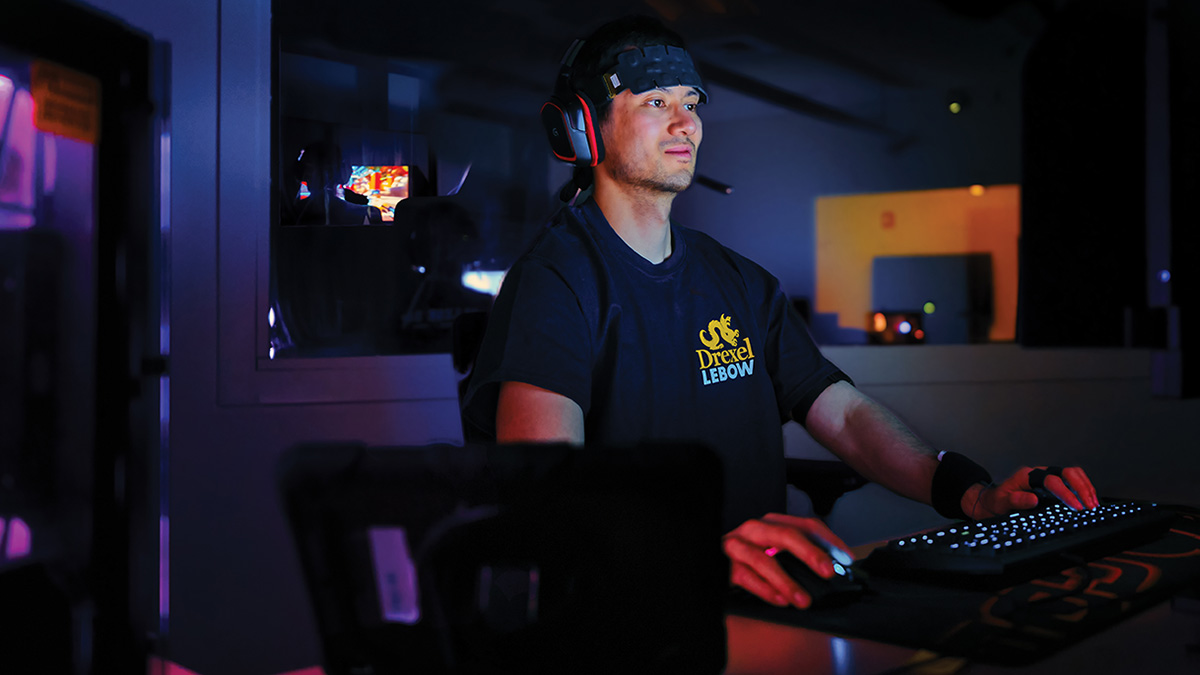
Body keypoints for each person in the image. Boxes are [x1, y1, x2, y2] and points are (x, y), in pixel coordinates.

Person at [461, 15, 1099, 610]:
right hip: (644, 608)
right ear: (582, 129)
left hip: (767, 594)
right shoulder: (556, 281)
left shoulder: (740, 282)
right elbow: (546, 485)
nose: (685, 122)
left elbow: (844, 416)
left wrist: (971, 493)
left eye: (691, 101)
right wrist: (689, 558)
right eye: (655, 102)